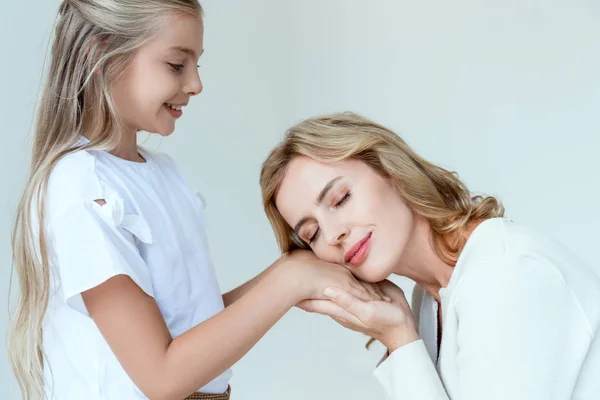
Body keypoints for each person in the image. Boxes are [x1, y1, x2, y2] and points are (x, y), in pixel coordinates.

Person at [7, 3, 385, 399]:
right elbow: (162, 377)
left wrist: (295, 271)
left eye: (197, 65)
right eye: (176, 64)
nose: (195, 85)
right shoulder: (82, 185)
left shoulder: (162, 172)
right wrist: (290, 281)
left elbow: (190, 321)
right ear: (100, 53)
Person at [260, 111, 600, 399]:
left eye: (340, 198)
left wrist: (400, 339)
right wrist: (398, 333)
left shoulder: (504, 275)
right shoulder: (429, 295)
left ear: (390, 170)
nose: (333, 234)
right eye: (312, 234)